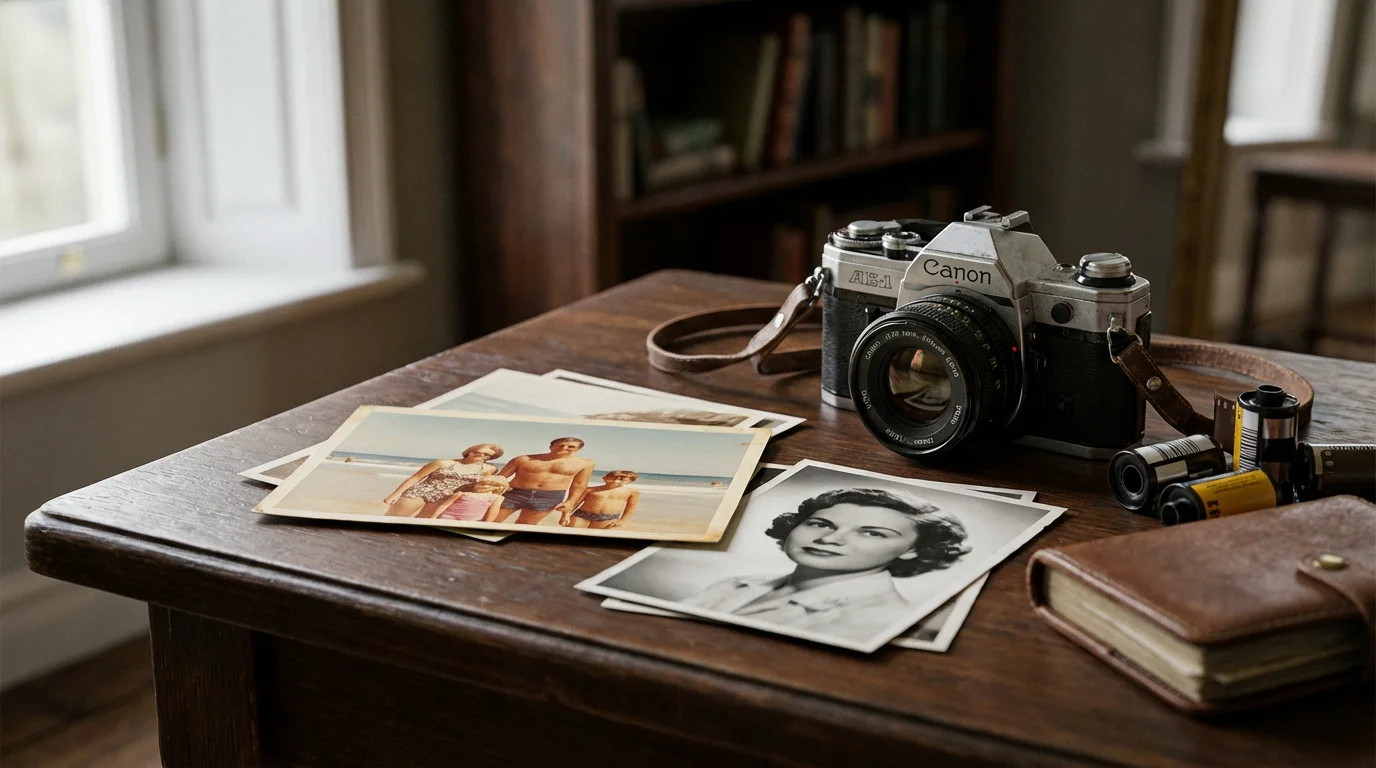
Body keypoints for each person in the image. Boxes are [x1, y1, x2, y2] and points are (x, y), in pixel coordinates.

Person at [683, 488, 971, 643]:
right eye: (821, 524)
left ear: (913, 550)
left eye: (872, 533)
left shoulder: (880, 620)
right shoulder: (738, 584)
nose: (830, 539)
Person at [381, 444, 504, 518]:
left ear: (489, 458)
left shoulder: (488, 469)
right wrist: (395, 494)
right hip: (419, 492)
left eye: (485, 455)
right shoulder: (442, 463)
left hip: (446, 498)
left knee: (422, 524)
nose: (480, 455)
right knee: (393, 519)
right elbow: (416, 477)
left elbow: (491, 484)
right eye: (477, 452)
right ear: (469, 452)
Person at [492, 437, 595, 525]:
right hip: (513, 493)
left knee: (525, 526)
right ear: (551, 446)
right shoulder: (523, 459)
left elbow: (579, 484)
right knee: (491, 521)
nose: (564, 448)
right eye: (560, 445)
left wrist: (570, 502)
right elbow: (500, 478)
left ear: (578, 449)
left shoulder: (585, 463)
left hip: (549, 497)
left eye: (571, 446)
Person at [561, 470, 640, 529]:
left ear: (629, 481)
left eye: (621, 479)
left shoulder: (632, 492)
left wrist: (622, 521)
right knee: (571, 536)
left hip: (607, 518)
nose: (616, 480)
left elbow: (630, 508)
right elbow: (575, 503)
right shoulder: (590, 490)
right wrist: (566, 515)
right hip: (581, 516)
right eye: (613, 477)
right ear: (604, 478)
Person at [436, 475, 510, 522]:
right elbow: (444, 506)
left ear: (499, 488)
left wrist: (487, 524)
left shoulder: (497, 498)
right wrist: (433, 518)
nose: (484, 486)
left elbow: (492, 513)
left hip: (472, 521)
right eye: (482, 484)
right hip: (447, 517)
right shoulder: (461, 494)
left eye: (490, 485)